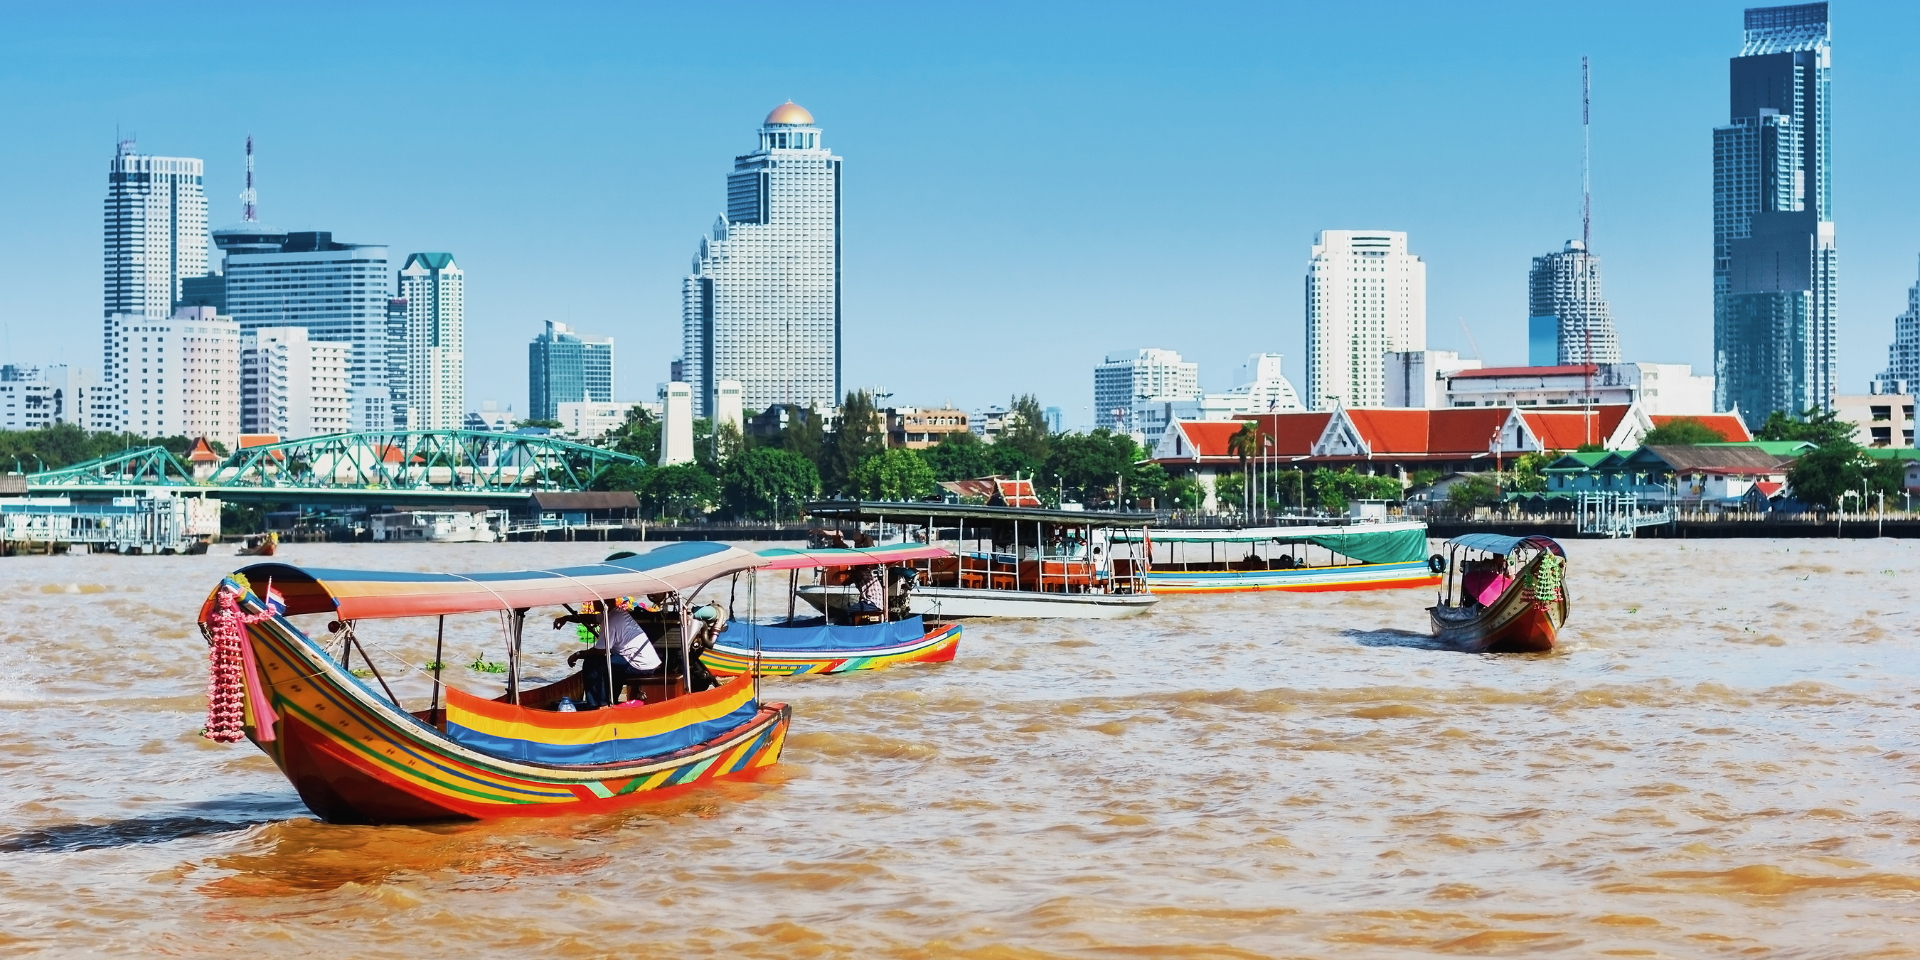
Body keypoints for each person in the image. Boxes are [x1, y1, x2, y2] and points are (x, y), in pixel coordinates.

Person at [553, 597, 662, 709]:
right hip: (646, 662)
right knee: (609, 663)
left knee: (592, 664)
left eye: (596, 600)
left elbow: (600, 651)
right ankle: (611, 701)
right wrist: (567, 618)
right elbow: (593, 618)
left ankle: (599, 706)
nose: (593, 602)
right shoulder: (616, 613)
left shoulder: (610, 620)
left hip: (640, 665)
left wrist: (577, 655)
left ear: (605, 602)